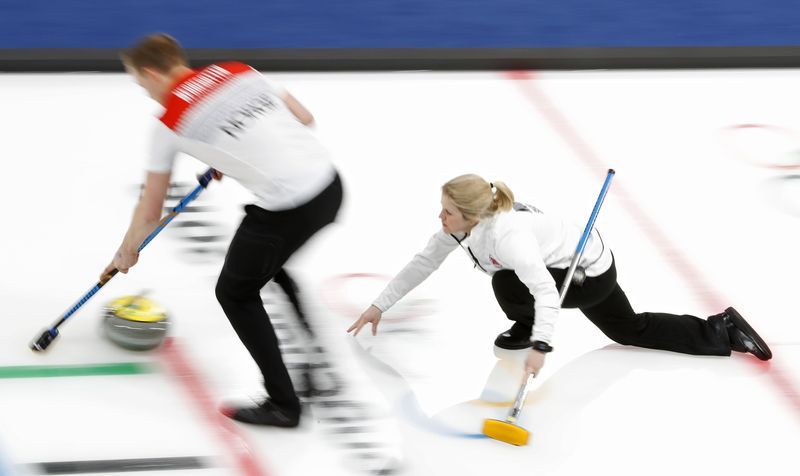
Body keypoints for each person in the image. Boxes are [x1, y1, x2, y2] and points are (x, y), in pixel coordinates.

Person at [103, 33, 343, 427]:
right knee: (270, 268)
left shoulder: (168, 121)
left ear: (150, 72)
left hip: (288, 207)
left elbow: (150, 210)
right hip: (330, 187)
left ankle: (284, 404)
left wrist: (126, 251)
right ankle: (312, 360)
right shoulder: (237, 71)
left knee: (234, 293)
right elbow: (303, 118)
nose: (146, 93)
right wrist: (231, 151)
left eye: (141, 83)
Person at [347, 174, 771, 376]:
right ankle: (720, 330)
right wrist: (378, 305)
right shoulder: (464, 228)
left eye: (448, 212)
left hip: (586, 274)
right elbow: (423, 262)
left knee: (506, 281)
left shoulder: (507, 237)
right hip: (578, 259)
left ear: (472, 215)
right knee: (628, 329)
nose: (440, 217)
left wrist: (541, 344)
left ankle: (527, 325)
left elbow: (546, 291)